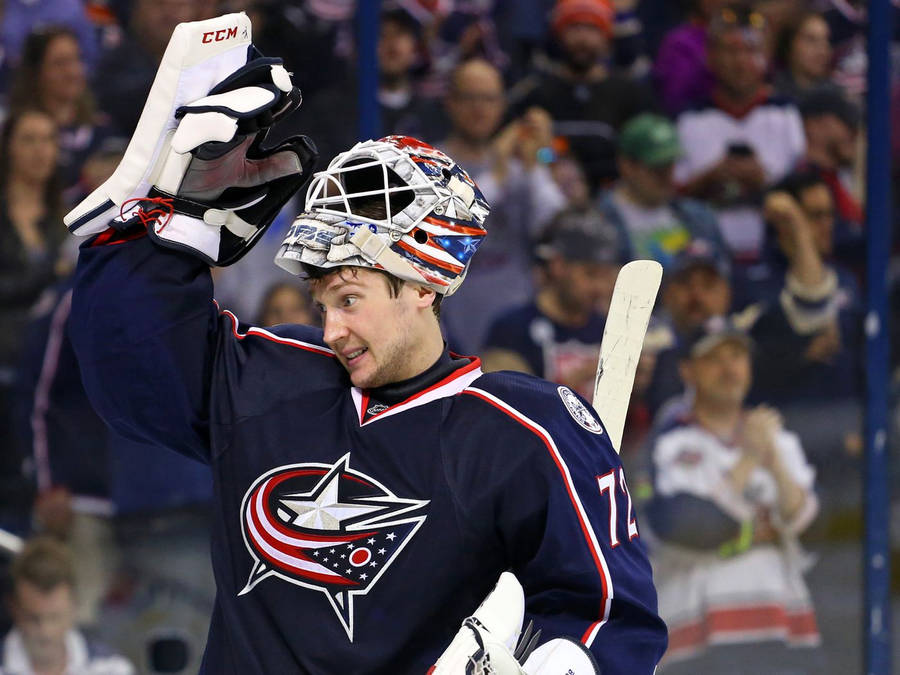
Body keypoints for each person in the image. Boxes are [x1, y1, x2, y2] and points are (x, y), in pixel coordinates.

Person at [66, 19, 666, 672]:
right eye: (321, 302)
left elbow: (610, 612)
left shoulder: (527, 431)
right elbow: (128, 368)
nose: (329, 329)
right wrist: (163, 230)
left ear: (424, 284)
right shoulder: (265, 378)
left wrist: (561, 662)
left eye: (348, 299)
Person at [644, 318, 821, 673]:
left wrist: (774, 464)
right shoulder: (671, 444)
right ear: (688, 371)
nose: (729, 368)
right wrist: (749, 459)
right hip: (699, 633)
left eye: (737, 356)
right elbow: (685, 525)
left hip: (781, 624)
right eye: (714, 359)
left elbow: (807, 525)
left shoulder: (777, 436)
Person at [436, 57, 566, 355]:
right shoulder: (431, 161)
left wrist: (536, 164)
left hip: (517, 314)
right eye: (470, 98)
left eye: (489, 99)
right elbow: (449, 224)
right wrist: (497, 173)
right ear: (450, 102)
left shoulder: (519, 167)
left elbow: (555, 225)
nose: (480, 109)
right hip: (453, 316)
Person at [674, 5, 806, 262]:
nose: (741, 61)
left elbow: (807, 192)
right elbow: (671, 197)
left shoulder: (786, 113)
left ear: (765, 58)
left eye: (751, 51)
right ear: (710, 56)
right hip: (705, 257)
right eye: (731, 51)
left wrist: (763, 182)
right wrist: (711, 177)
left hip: (778, 254)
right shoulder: (690, 119)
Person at [508, 0, 656, 189]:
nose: (583, 38)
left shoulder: (630, 94)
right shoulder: (534, 94)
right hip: (548, 195)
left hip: (614, 200)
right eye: (574, 27)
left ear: (607, 37)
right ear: (559, 34)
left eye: (592, 28)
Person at [481, 207, 624, 401]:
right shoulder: (512, 329)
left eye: (606, 276)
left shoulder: (608, 330)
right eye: (590, 274)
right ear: (559, 265)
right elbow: (506, 406)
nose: (599, 287)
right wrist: (584, 374)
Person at [596, 113, 726, 267]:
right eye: (656, 168)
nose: (666, 176)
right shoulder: (598, 222)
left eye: (670, 165)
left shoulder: (699, 217)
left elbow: (720, 276)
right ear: (626, 166)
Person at [1, 536, 134, 674]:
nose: (46, 632)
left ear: (74, 606)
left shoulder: (111, 668)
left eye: (55, 617)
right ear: (13, 608)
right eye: (34, 619)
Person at [8, 26, 113, 200]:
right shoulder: (20, 134)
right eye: (60, 63)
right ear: (36, 72)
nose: (72, 72)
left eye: (76, 60)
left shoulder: (103, 129)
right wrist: (84, 183)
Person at [772, 11, 834, 102]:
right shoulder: (772, 97)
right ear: (789, 44)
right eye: (811, 40)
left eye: (826, 41)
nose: (822, 51)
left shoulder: (839, 99)